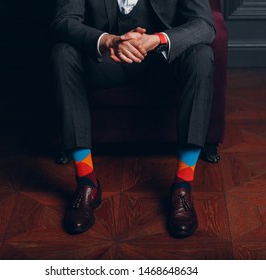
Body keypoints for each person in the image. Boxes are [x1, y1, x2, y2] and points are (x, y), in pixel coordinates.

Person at [51, 0, 215, 237]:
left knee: (202, 55)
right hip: (106, 61)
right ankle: (87, 183)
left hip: (162, 63)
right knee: (62, 53)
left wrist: (158, 39)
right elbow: (62, 21)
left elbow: (204, 25)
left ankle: (182, 185)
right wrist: (108, 40)